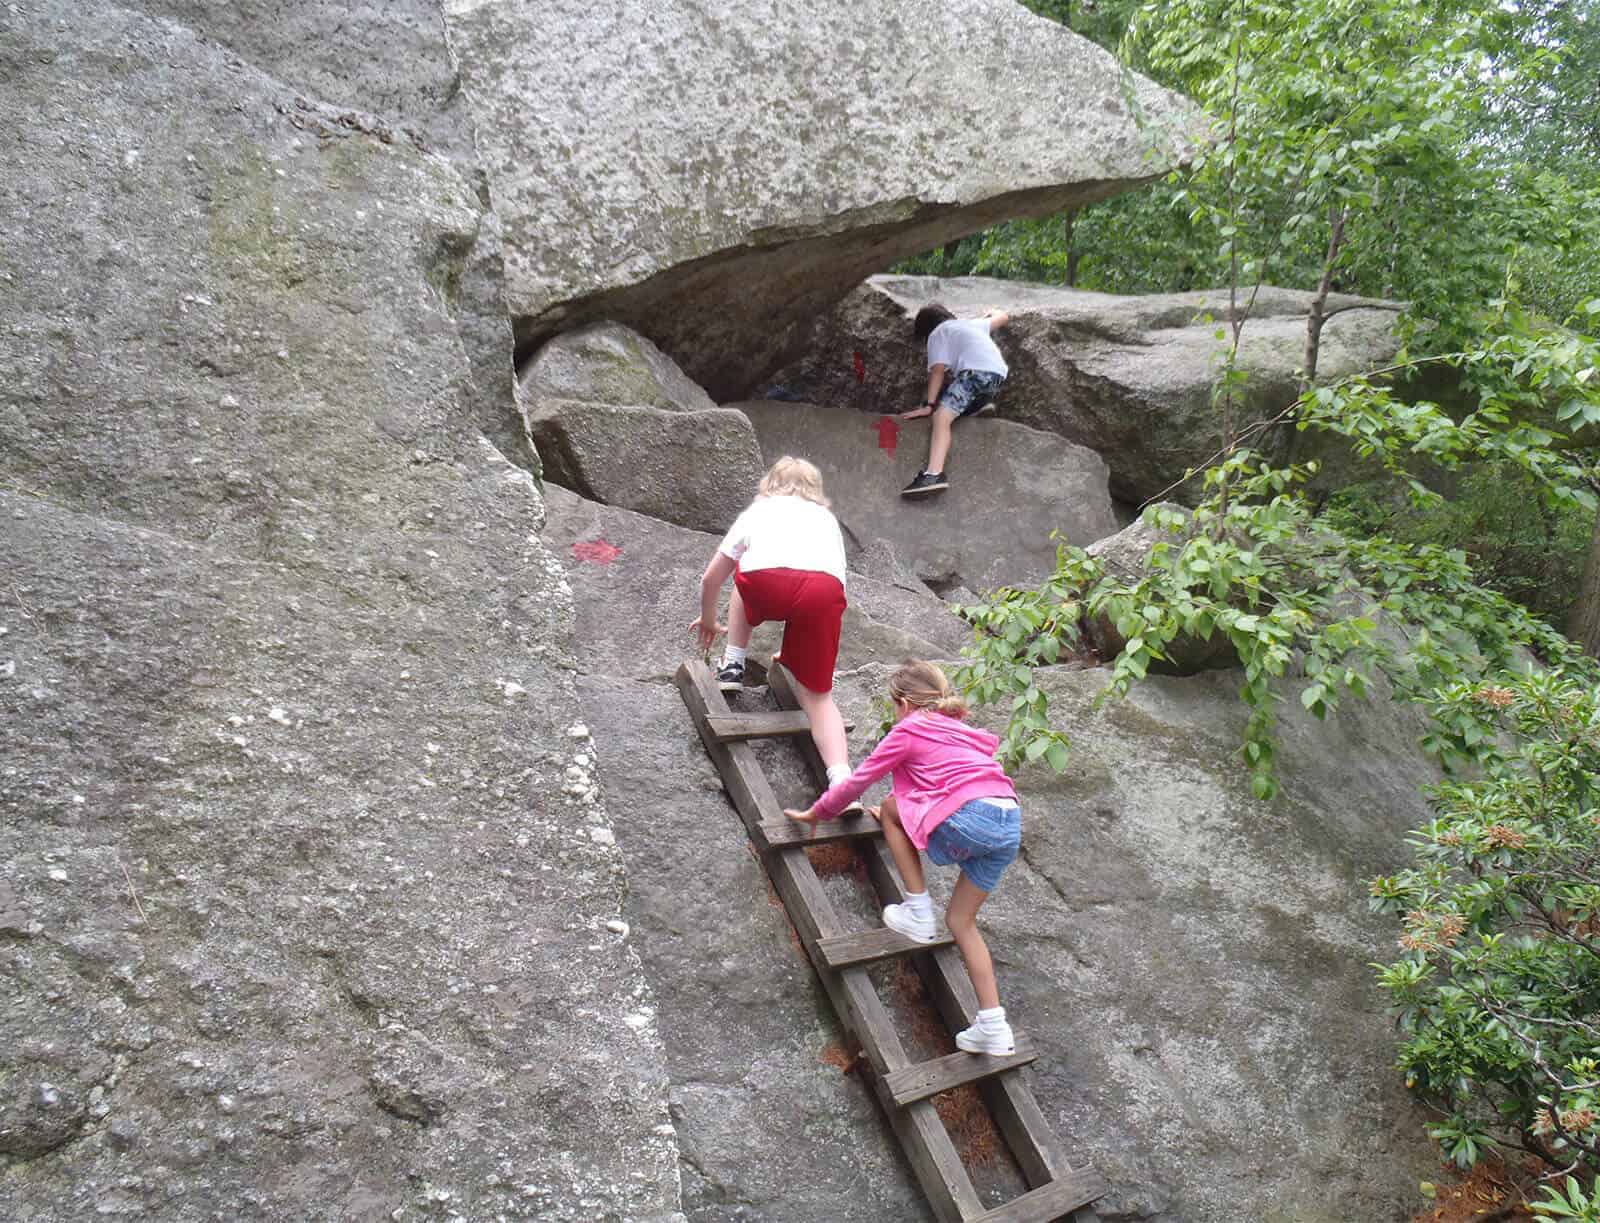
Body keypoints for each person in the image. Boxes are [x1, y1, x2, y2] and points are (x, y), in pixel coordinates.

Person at [782, 660, 1022, 1055]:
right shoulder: (958, 729)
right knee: (962, 921)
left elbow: (861, 780)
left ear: (906, 703)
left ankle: (917, 911)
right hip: (1009, 819)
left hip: (972, 814)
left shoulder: (910, 728)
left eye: (894, 706)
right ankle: (994, 1027)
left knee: (891, 808)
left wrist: (819, 812)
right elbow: (946, 778)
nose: (896, 714)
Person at [690, 455, 854, 790]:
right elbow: (829, 588)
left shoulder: (757, 512)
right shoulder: (826, 518)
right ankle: (842, 781)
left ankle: (732, 663)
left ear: (769, 486)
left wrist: (709, 620)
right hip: (824, 591)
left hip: (765, 583)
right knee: (819, 698)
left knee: (741, 575)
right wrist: (799, 654)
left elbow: (711, 579)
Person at [898, 303, 1010, 498]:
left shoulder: (937, 333)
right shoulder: (972, 324)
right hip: (997, 375)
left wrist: (930, 406)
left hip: (975, 373)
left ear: (926, 330)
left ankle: (933, 475)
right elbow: (1003, 317)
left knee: (941, 417)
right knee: (958, 402)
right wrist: (991, 311)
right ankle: (980, 405)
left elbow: (938, 371)